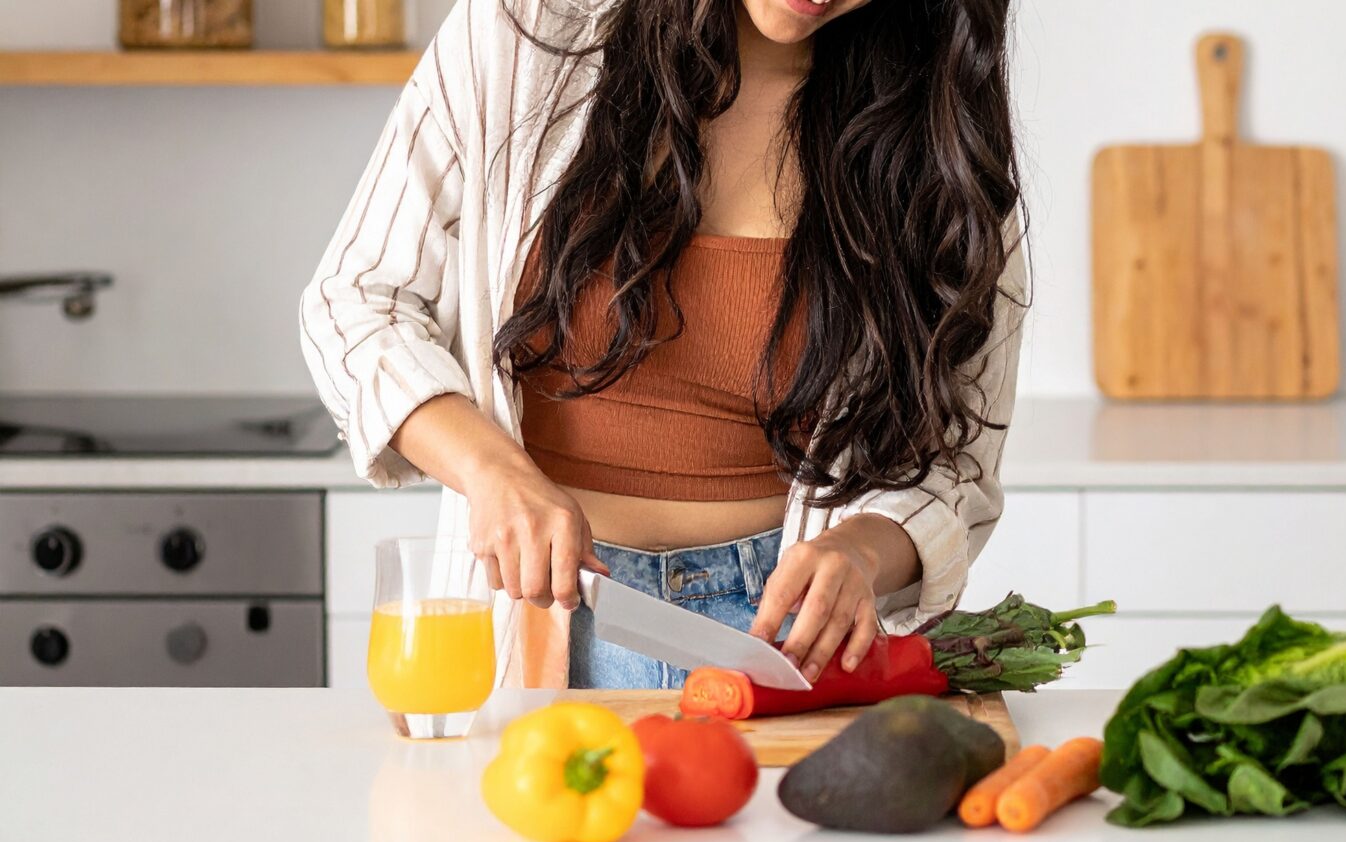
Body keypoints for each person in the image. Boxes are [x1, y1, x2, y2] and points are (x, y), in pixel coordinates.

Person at [299, 0, 1028, 690]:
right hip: (537, 614)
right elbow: (357, 301)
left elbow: (956, 468)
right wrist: (494, 474)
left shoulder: (939, 133)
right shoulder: (526, 34)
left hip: (783, 645)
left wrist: (864, 551)